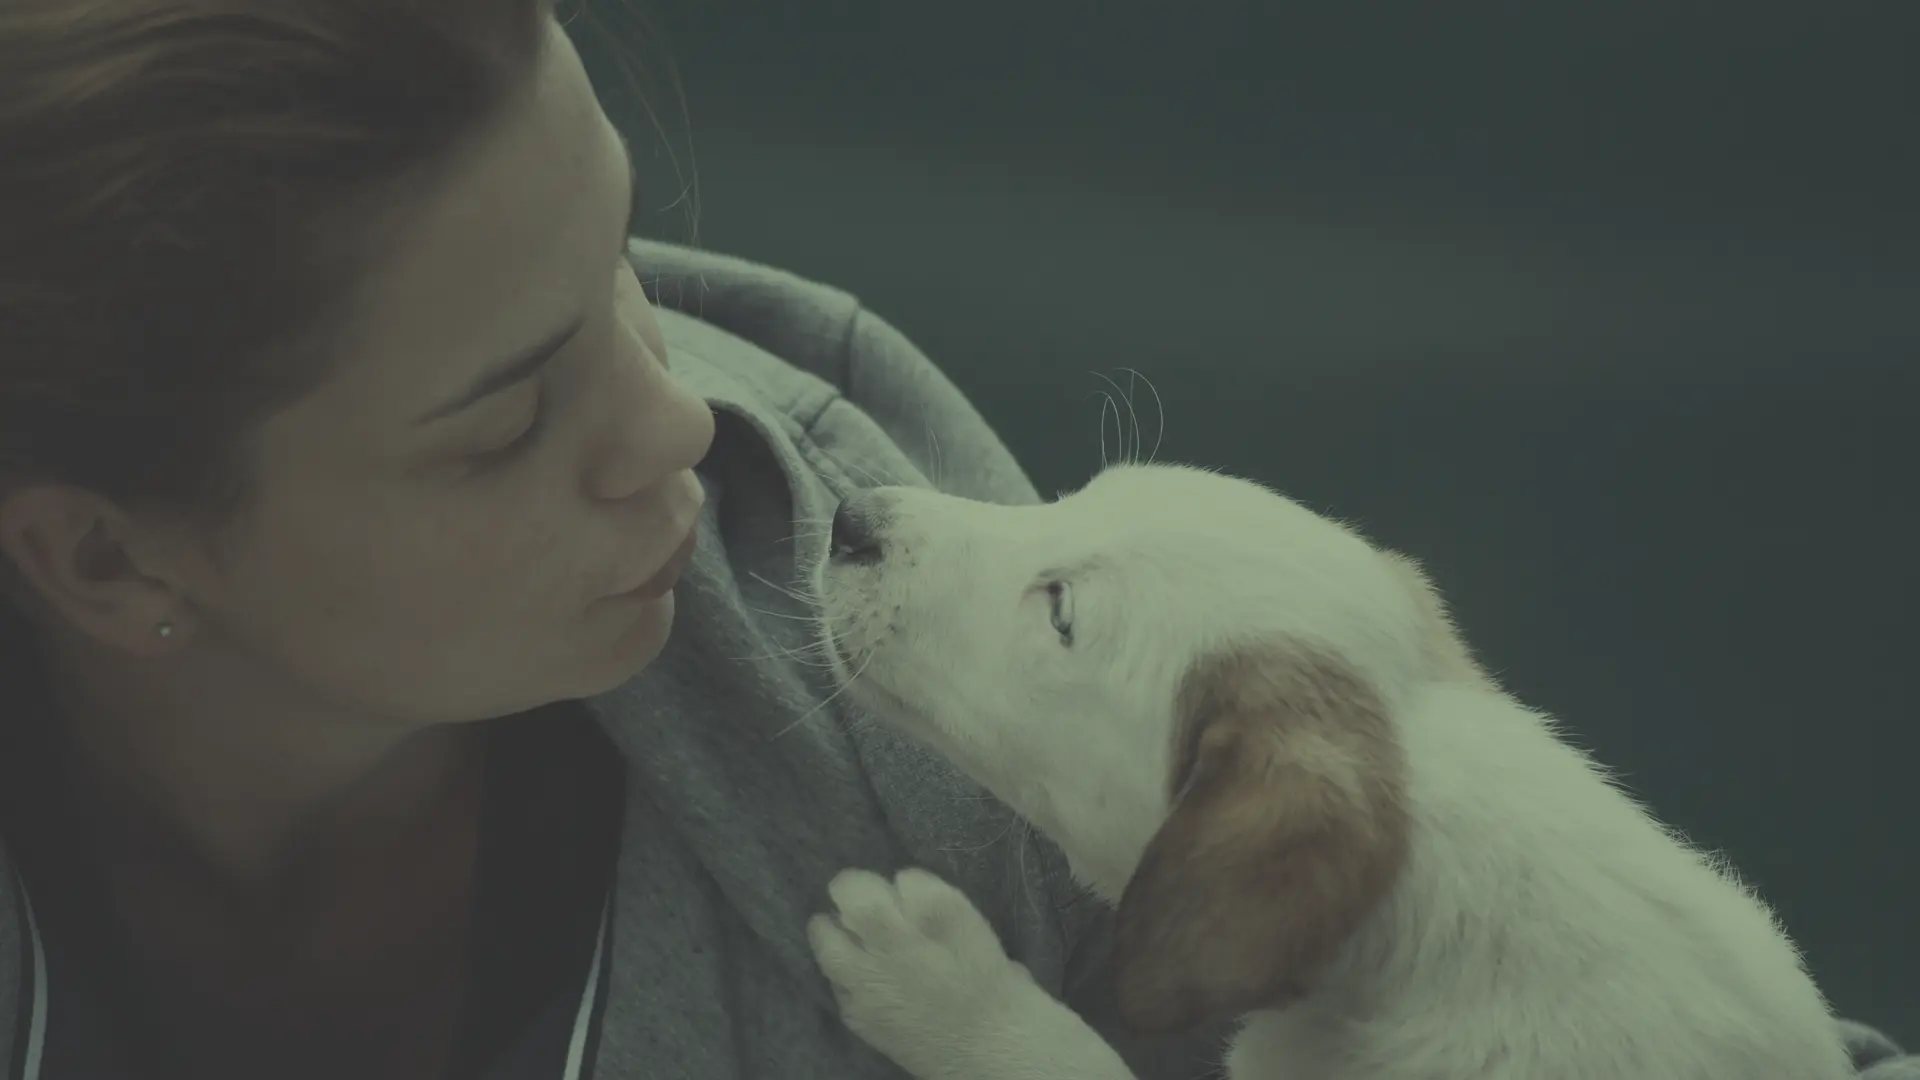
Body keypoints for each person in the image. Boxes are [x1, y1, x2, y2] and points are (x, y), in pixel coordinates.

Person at [0, 2, 1908, 1079]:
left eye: (621, 269)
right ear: (105, 564)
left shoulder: (929, 771)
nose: (680, 419)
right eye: (509, 417)